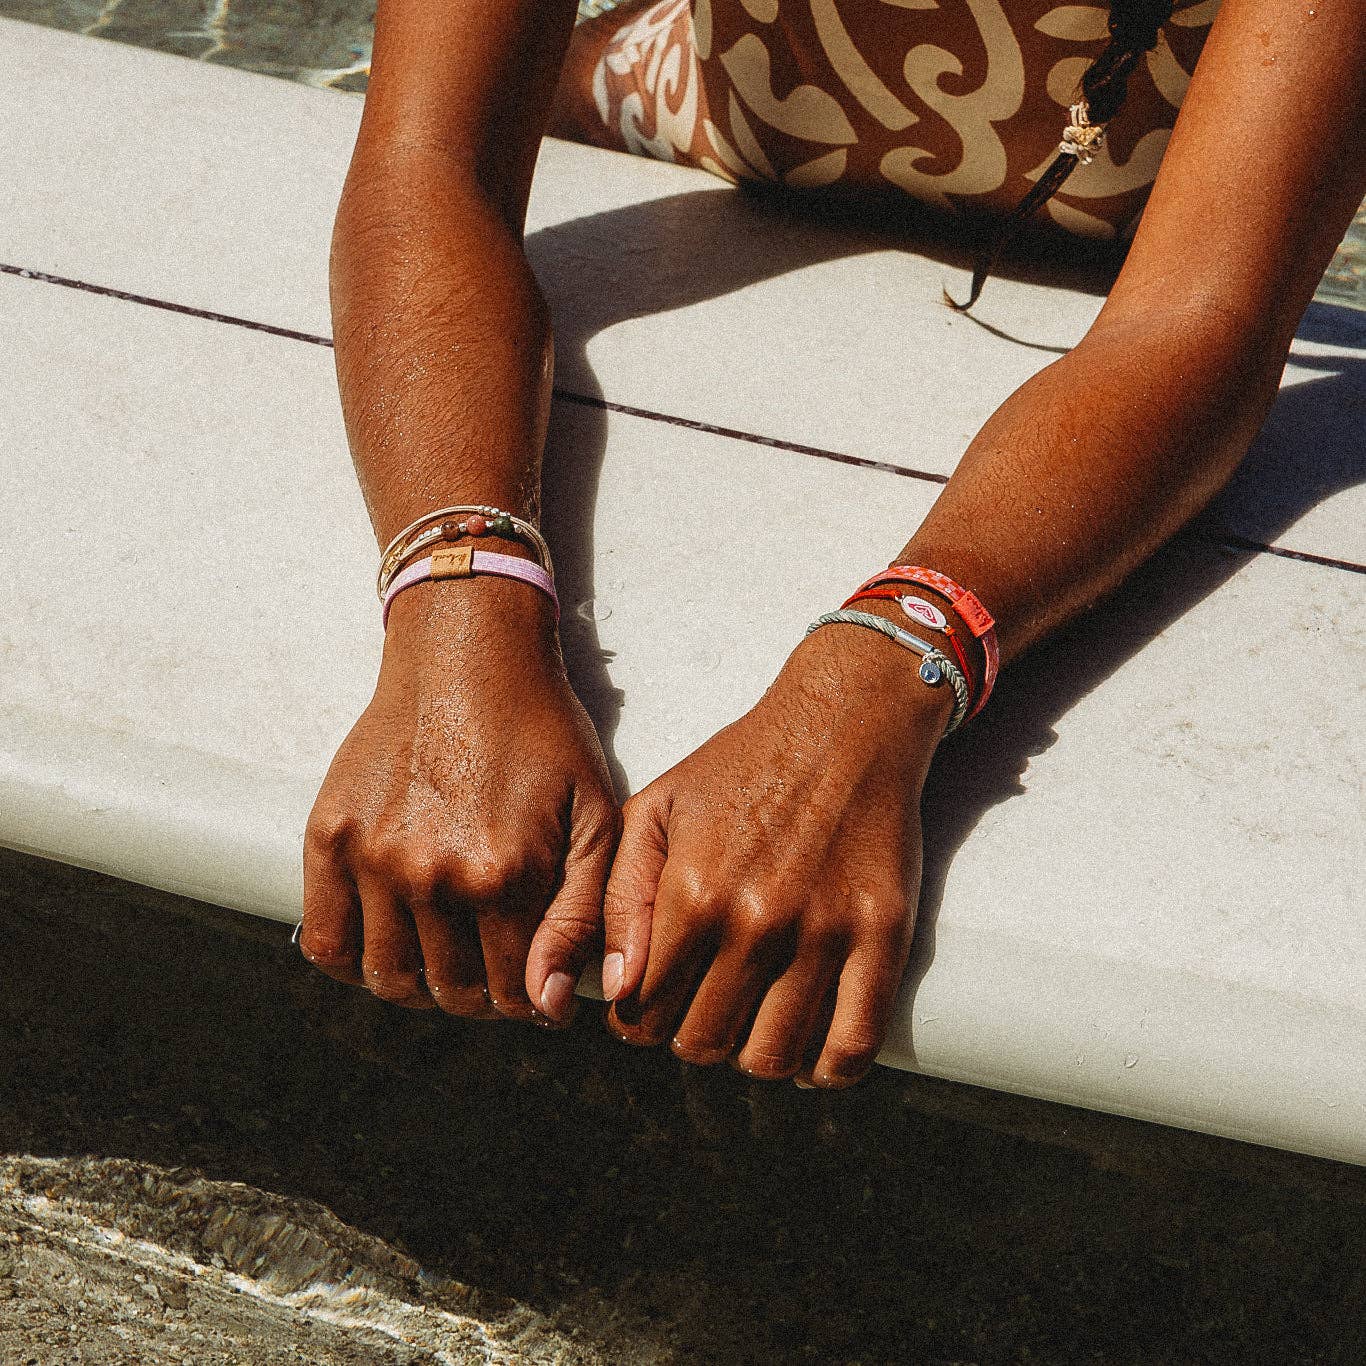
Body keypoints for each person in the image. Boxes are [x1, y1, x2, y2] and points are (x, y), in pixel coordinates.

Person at [299, 0, 1365, 1088]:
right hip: (701, 116)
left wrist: (869, 688)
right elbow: (430, 169)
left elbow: (1198, 317)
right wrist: (458, 610)